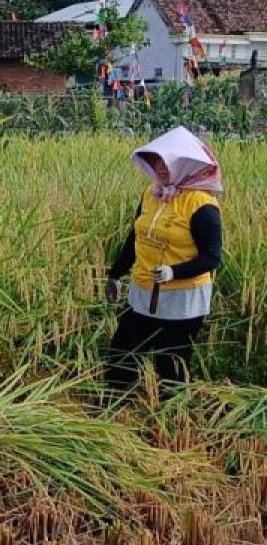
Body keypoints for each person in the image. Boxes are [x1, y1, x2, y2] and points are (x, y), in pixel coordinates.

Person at [105, 126, 223, 393]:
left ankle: (171, 420)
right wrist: (115, 274)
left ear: (184, 165)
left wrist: (174, 272)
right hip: (143, 290)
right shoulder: (152, 195)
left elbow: (212, 258)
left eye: (167, 162)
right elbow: (134, 238)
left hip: (183, 299)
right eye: (156, 161)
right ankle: (117, 407)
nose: (160, 167)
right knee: (123, 351)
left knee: (170, 363)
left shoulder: (201, 205)